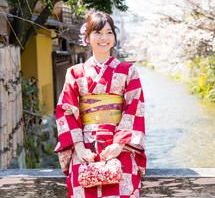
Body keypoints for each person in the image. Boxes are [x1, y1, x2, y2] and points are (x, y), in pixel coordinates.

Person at [54, 11, 146, 198]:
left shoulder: (128, 71)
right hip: (85, 148)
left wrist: (119, 144)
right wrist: (78, 147)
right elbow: (66, 111)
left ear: (114, 37)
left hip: (120, 147)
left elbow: (134, 108)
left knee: (123, 190)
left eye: (109, 32)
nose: (104, 38)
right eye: (98, 32)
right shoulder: (75, 72)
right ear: (87, 37)